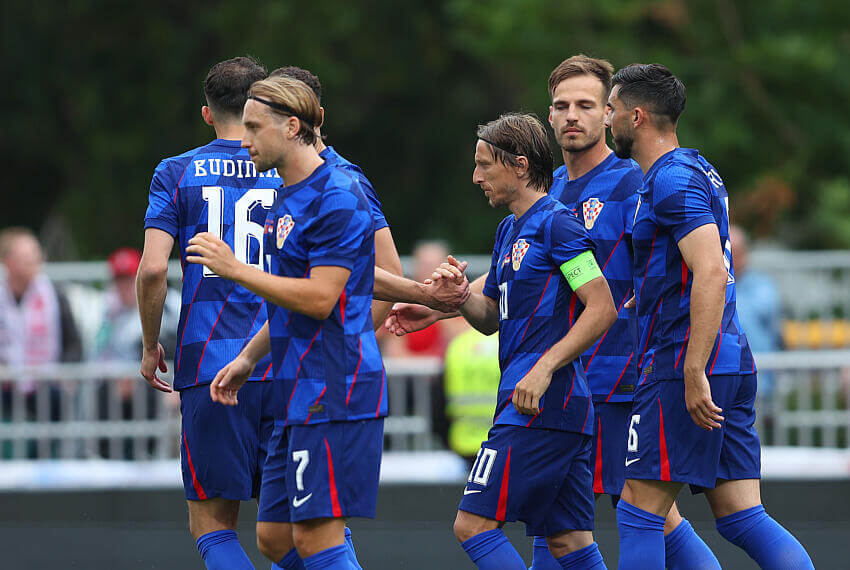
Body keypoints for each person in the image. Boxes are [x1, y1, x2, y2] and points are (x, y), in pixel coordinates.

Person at [605, 63, 813, 569]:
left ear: (636, 116)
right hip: (729, 359)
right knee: (741, 515)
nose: (606, 120)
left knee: (638, 509)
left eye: (609, 109)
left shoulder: (671, 180)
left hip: (686, 363)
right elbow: (683, 266)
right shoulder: (696, 169)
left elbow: (712, 271)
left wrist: (694, 369)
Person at [400, 112, 618, 569]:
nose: (476, 176)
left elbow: (602, 308)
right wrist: (458, 297)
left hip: (542, 404)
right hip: (548, 407)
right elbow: (487, 319)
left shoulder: (558, 225)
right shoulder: (508, 231)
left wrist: (543, 368)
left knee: (472, 525)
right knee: (568, 543)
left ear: (520, 166)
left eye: (484, 165)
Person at [530, 55, 717, 570]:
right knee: (559, 517)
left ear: (612, 112)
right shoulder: (552, 193)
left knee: (641, 509)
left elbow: (696, 271)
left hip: (619, 376)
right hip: (567, 380)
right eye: (562, 105)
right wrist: (445, 298)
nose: (574, 115)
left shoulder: (639, 179)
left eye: (588, 105)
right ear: (548, 115)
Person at [190, 75, 383, 570]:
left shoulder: (338, 193)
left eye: (254, 127)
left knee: (316, 536)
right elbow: (296, 296)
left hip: (334, 385)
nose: (244, 139)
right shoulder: (284, 198)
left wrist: (237, 269)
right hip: (294, 386)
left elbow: (320, 299)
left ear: (292, 126)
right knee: (276, 538)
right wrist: (248, 358)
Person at [137, 56, 279, 569]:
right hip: (285, 354)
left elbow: (153, 271)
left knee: (213, 526)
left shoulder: (176, 171)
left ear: (206, 113)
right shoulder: (291, 167)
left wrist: (152, 344)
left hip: (210, 360)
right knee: (301, 530)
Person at [0, 227, 82, 458]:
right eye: (27, 258)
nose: (35, 263)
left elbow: (74, 344)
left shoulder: (54, 295)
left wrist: (65, 374)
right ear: (8, 262)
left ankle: (45, 462)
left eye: (36, 256)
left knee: (55, 402)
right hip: (5, 384)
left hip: (45, 383)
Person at [730, 225, 781, 395]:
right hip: (727, 382)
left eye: (735, 252)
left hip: (760, 381)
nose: (730, 258)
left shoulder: (762, 286)